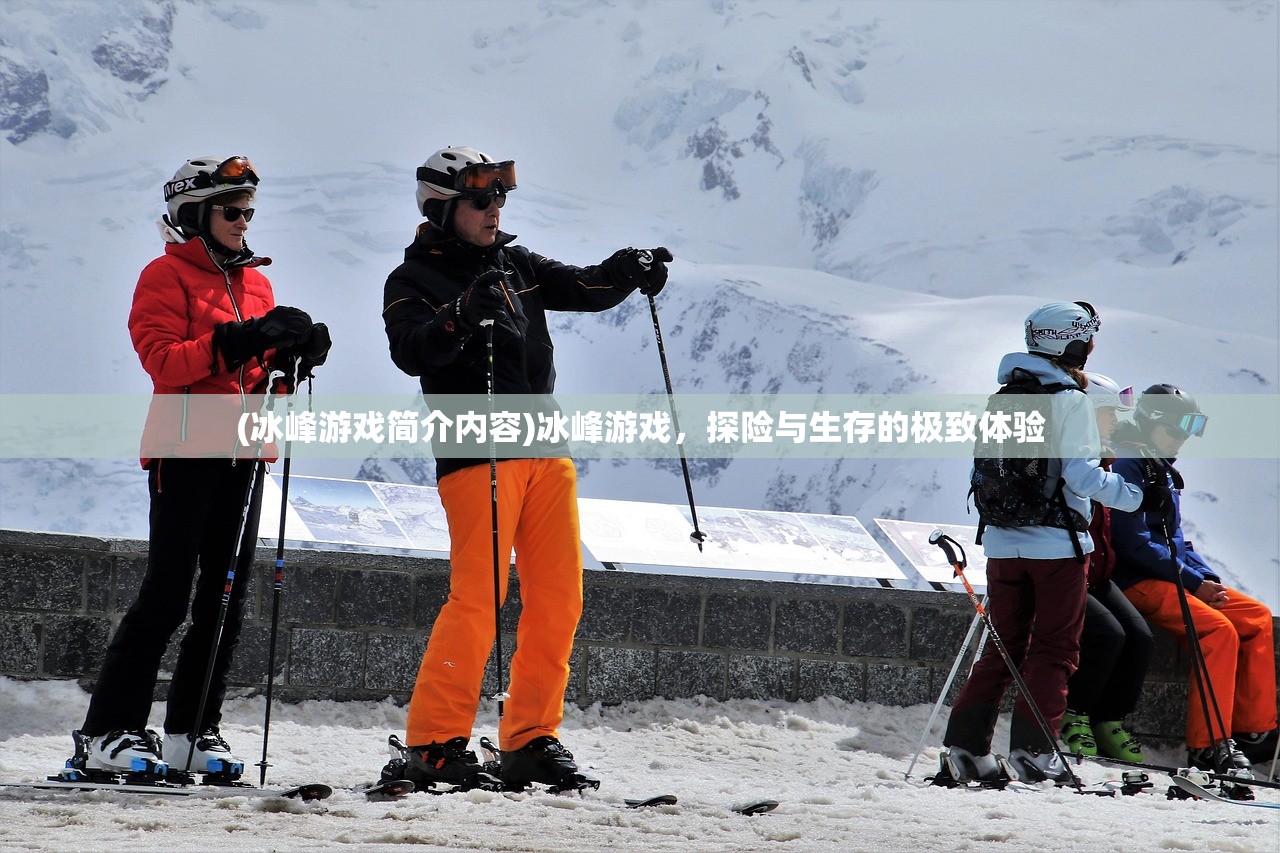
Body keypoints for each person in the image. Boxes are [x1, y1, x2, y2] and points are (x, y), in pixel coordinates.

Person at [381, 146, 671, 792]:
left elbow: (585, 286)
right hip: (476, 452)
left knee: (559, 598)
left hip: (545, 449)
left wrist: (629, 269)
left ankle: (529, 739)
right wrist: (460, 314)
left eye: (500, 197)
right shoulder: (411, 280)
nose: (495, 209)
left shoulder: (515, 264)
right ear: (441, 208)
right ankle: (432, 742)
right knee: (479, 599)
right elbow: (410, 350)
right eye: (481, 200)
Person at [71, 156, 330, 781]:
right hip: (184, 451)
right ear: (195, 215)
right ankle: (108, 732)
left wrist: (293, 358)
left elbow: (259, 375)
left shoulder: (256, 284)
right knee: (167, 592)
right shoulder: (164, 275)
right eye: (231, 210)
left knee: (224, 596)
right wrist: (242, 340)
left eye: (249, 211)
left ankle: (190, 730)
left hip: (243, 448)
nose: (244, 222)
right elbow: (163, 361)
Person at [940, 301, 1146, 786]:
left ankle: (966, 750)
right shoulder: (1069, 400)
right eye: (1089, 336)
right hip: (1057, 547)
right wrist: (1130, 496)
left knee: (1002, 647)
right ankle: (1035, 755)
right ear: (1072, 341)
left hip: (1001, 544)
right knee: (1055, 650)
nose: (1092, 346)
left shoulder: (1003, 395)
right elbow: (1081, 475)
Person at [1110, 384, 1278, 777]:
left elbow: (1176, 536)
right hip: (1135, 579)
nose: (1183, 438)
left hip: (1170, 574)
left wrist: (1206, 577)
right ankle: (1207, 747)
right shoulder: (1128, 463)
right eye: (1176, 429)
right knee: (1217, 632)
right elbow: (1132, 542)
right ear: (1151, 423)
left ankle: (1255, 733)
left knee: (1255, 617)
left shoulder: (1160, 465)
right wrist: (1190, 582)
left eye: (1189, 430)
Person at [1059, 373, 1153, 762]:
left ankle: (1108, 719)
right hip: (1070, 570)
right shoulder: (1079, 461)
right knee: (1107, 636)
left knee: (1140, 637)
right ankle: (1075, 715)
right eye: (1110, 412)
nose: (1116, 420)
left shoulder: (1105, 458)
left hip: (1098, 575)